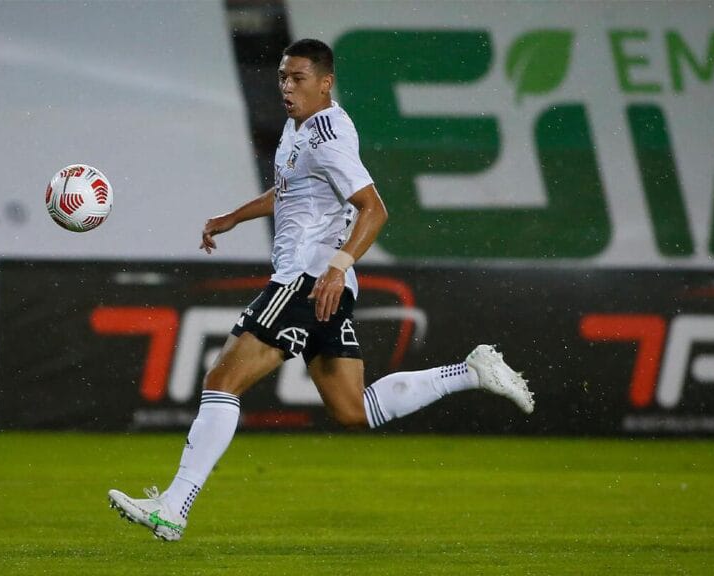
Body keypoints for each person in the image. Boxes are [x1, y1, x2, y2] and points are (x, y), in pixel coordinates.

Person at [108, 39, 533, 541]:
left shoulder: (327, 135)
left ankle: (174, 507)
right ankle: (470, 371)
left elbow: (375, 208)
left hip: (307, 281)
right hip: (322, 283)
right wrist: (233, 218)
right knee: (354, 410)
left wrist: (336, 265)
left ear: (325, 81)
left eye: (299, 78)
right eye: (283, 77)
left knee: (222, 382)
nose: (287, 87)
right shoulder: (300, 129)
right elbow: (291, 189)